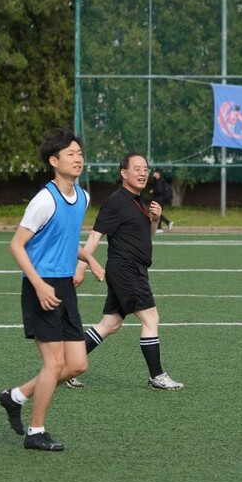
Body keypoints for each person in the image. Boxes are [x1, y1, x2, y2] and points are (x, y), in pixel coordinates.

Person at [0, 128, 104, 452]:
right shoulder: (44, 200)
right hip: (40, 286)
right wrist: (39, 284)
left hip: (64, 286)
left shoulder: (83, 197)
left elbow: (64, 242)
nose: (78, 158)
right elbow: (17, 245)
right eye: (71, 154)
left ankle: (15, 397)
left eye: (80, 153)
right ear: (53, 161)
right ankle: (35, 431)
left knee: (77, 364)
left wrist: (91, 260)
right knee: (54, 364)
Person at [67, 152, 184, 391]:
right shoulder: (116, 202)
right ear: (124, 173)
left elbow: (146, 237)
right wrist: (80, 268)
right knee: (151, 318)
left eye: (146, 169)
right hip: (126, 269)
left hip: (134, 269)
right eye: (137, 168)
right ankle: (157, 376)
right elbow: (94, 236)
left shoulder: (139, 202)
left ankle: (66, 366)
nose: (143, 173)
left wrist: (155, 220)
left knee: (110, 324)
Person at [150, 168, 174, 233]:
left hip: (159, 199)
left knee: (157, 213)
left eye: (154, 172)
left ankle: (160, 227)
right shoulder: (159, 181)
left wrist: (153, 191)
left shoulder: (160, 181)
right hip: (159, 199)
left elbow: (160, 190)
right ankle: (164, 225)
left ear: (158, 173)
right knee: (157, 213)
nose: (153, 174)